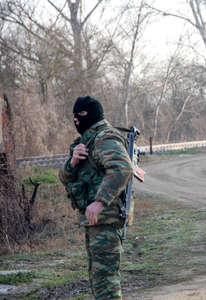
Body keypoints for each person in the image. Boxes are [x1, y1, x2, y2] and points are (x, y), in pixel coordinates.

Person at [59, 96, 133, 299]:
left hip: (106, 219)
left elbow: (123, 169)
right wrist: (72, 163)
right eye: (74, 116)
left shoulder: (104, 138)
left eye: (80, 115)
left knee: (106, 283)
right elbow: (65, 178)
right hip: (96, 222)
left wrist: (100, 202)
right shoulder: (85, 141)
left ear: (92, 114)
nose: (76, 120)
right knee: (99, 280)